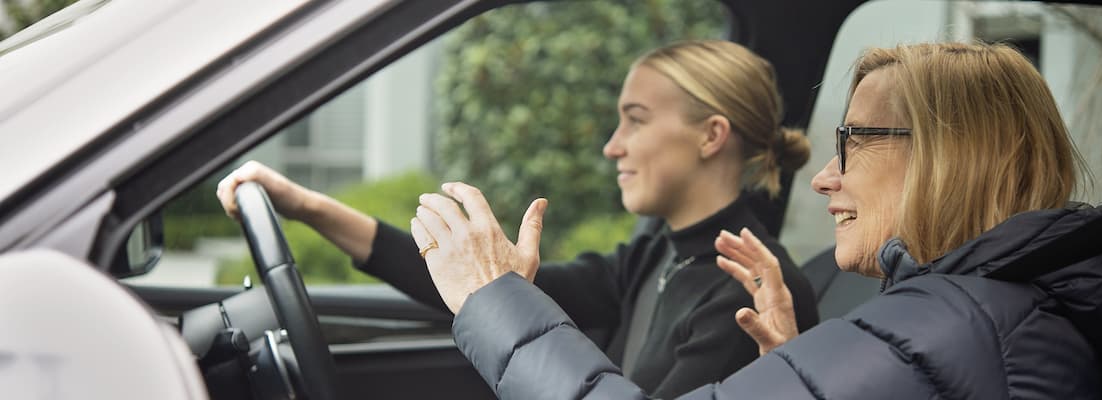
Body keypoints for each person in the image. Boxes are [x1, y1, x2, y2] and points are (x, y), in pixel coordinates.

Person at [410, 42, 1102, 399]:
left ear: (948, 155)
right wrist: (800, 368)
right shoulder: (1004, 306)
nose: (826, 176)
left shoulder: (955, 320)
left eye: (852, 142)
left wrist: (491, 297)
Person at [217, 40, 820, 398]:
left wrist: (496, 296)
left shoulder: (751, 290)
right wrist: (304, 206)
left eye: (635, 119)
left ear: (711, 135)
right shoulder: (659, 255)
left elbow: (501, 304)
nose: (613, 145)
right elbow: (474, 292)